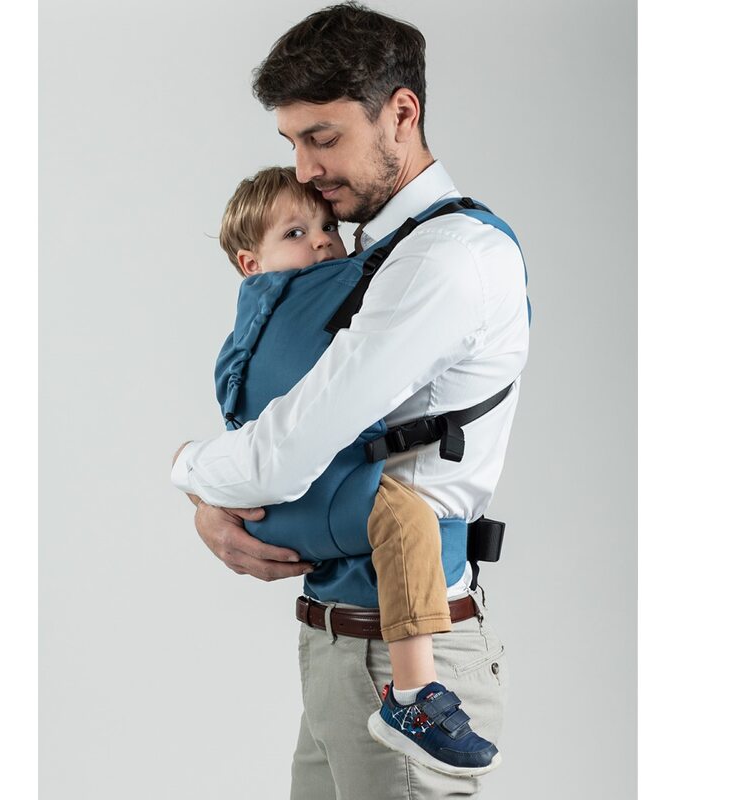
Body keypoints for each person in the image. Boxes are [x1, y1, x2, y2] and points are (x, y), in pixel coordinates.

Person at [171, 3, 529, 797]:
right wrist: (215, 501)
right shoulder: (364, 252)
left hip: (403, 662)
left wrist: (190, 471)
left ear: (401, 114)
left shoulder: (444, 260)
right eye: (293, 143)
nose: (304, 169)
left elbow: (286, 451)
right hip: (335, 644)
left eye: (323, 137)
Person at [204, 163, 501, 775]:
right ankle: (414, 698)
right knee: (406, 518)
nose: (321, 243)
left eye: (326, 229)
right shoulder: (326, 296)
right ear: (249, 263)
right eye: (296, 233)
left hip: (330, 592)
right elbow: (300, 430)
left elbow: (248, 418)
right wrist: (199, 484)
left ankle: (413, 690)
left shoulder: (256, 323)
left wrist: (202, 480)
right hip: (333, 598)